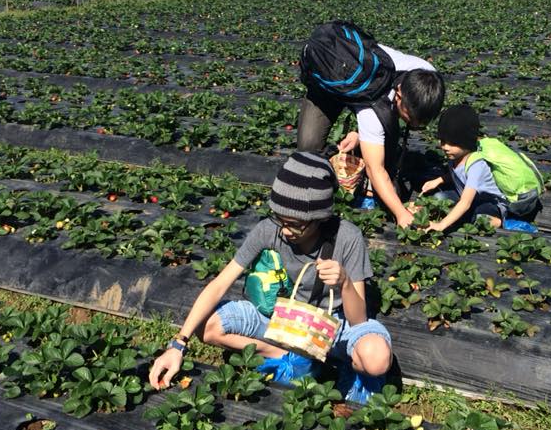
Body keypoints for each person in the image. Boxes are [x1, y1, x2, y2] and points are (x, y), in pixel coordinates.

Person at [148, 152, 392, 404]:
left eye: (295, 224)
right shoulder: (270, 229)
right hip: (283, 320)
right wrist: (178, 344)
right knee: (205, 325)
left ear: (319, 218)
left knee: (375, 358)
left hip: (333, 325)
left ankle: (333, 364)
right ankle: (284, 354)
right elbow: (220, 284)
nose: (285, 231)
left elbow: (358, 319)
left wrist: (344, 283)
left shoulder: (347, 237)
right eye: (280, 219)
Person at [296, 23, 445, 228]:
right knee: (307, 150)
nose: (414, 124)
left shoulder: (427, 77)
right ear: (399, 93)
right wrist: (401, 213)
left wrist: (358, 134)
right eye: (410, 117)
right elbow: (377, 170)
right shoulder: (372, 114)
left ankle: (360, 148)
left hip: (361, 89)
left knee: (381, 138)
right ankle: (337, 174)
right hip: (328, 84)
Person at [421, 104, 542, 232]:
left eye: (452, 143)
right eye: (442, 141)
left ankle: (502, 221)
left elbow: (465, 202)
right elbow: (457, 175)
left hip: (489, 203)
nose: (445, 147)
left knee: (478, 217)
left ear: (466, 142)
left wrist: (441, 225)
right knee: (439, 198)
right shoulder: (454, 156)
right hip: (467, 194)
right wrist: (438, 180)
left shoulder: (476, 166)